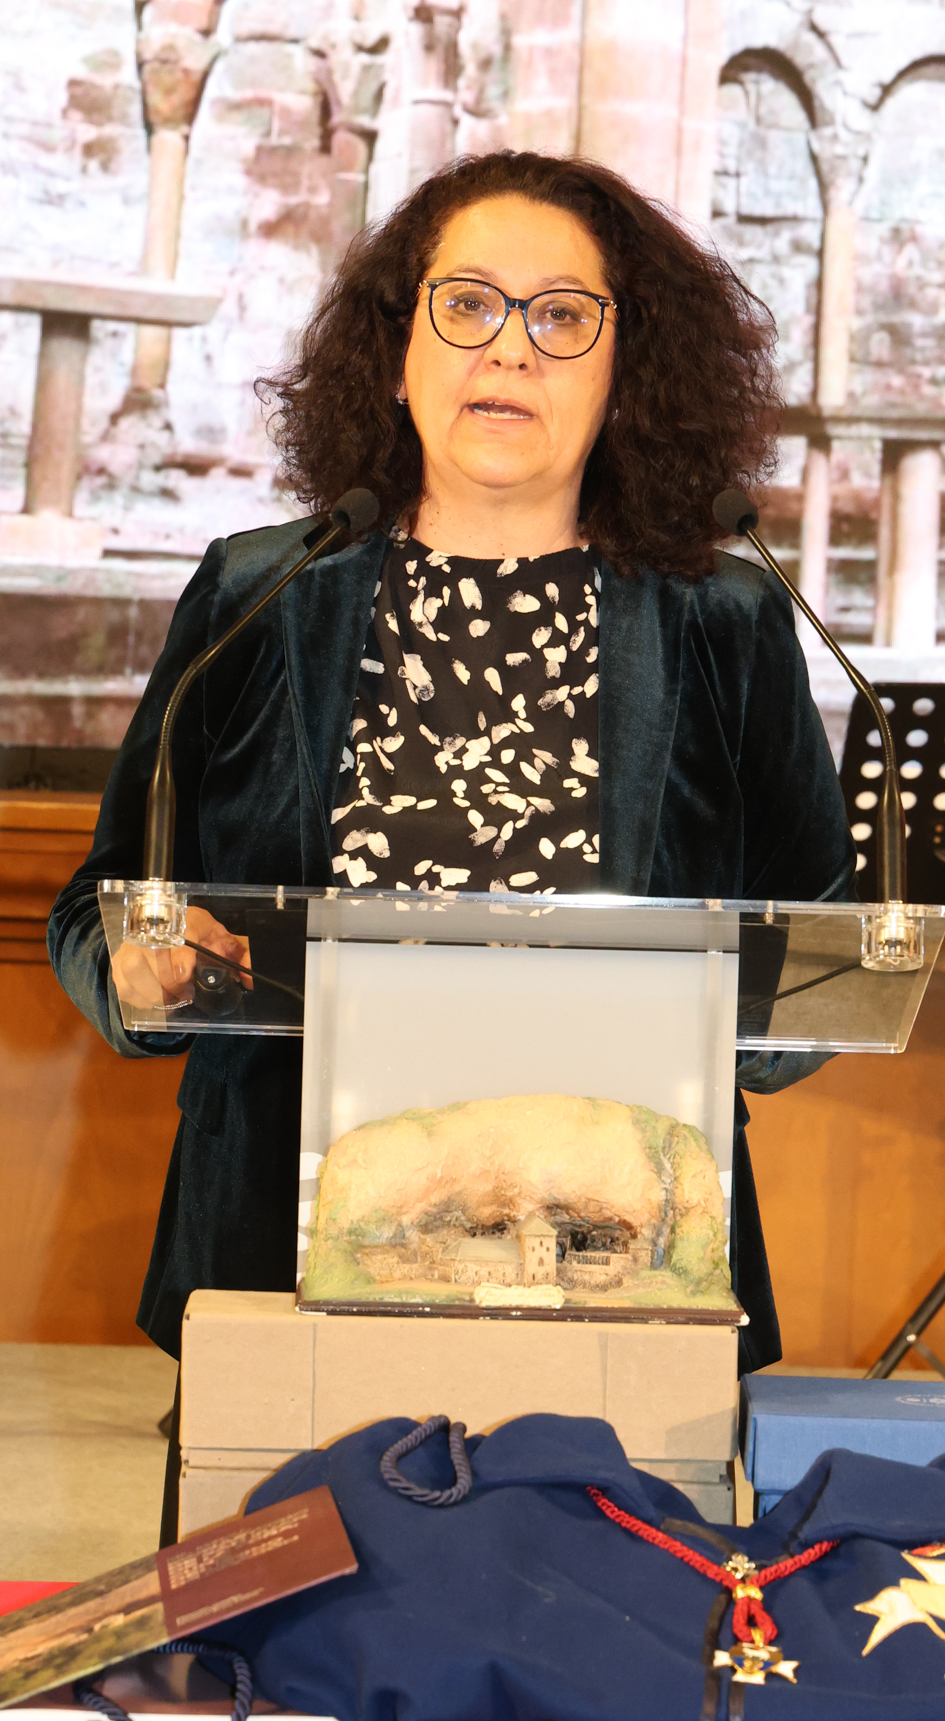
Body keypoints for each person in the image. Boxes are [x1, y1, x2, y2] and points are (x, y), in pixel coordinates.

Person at [49, 149, 852, 1535]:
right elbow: (99, 907)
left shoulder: (723, 619)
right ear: (397, 349)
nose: (510, 350)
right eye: (468, 304)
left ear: (627, 372)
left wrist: (749, 1013)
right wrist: (138, 968)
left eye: (564, 316)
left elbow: (816, 947)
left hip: (615, 1254)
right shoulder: (261, 594)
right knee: (296, 1631)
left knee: (601, 1635)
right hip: (288, 1244)